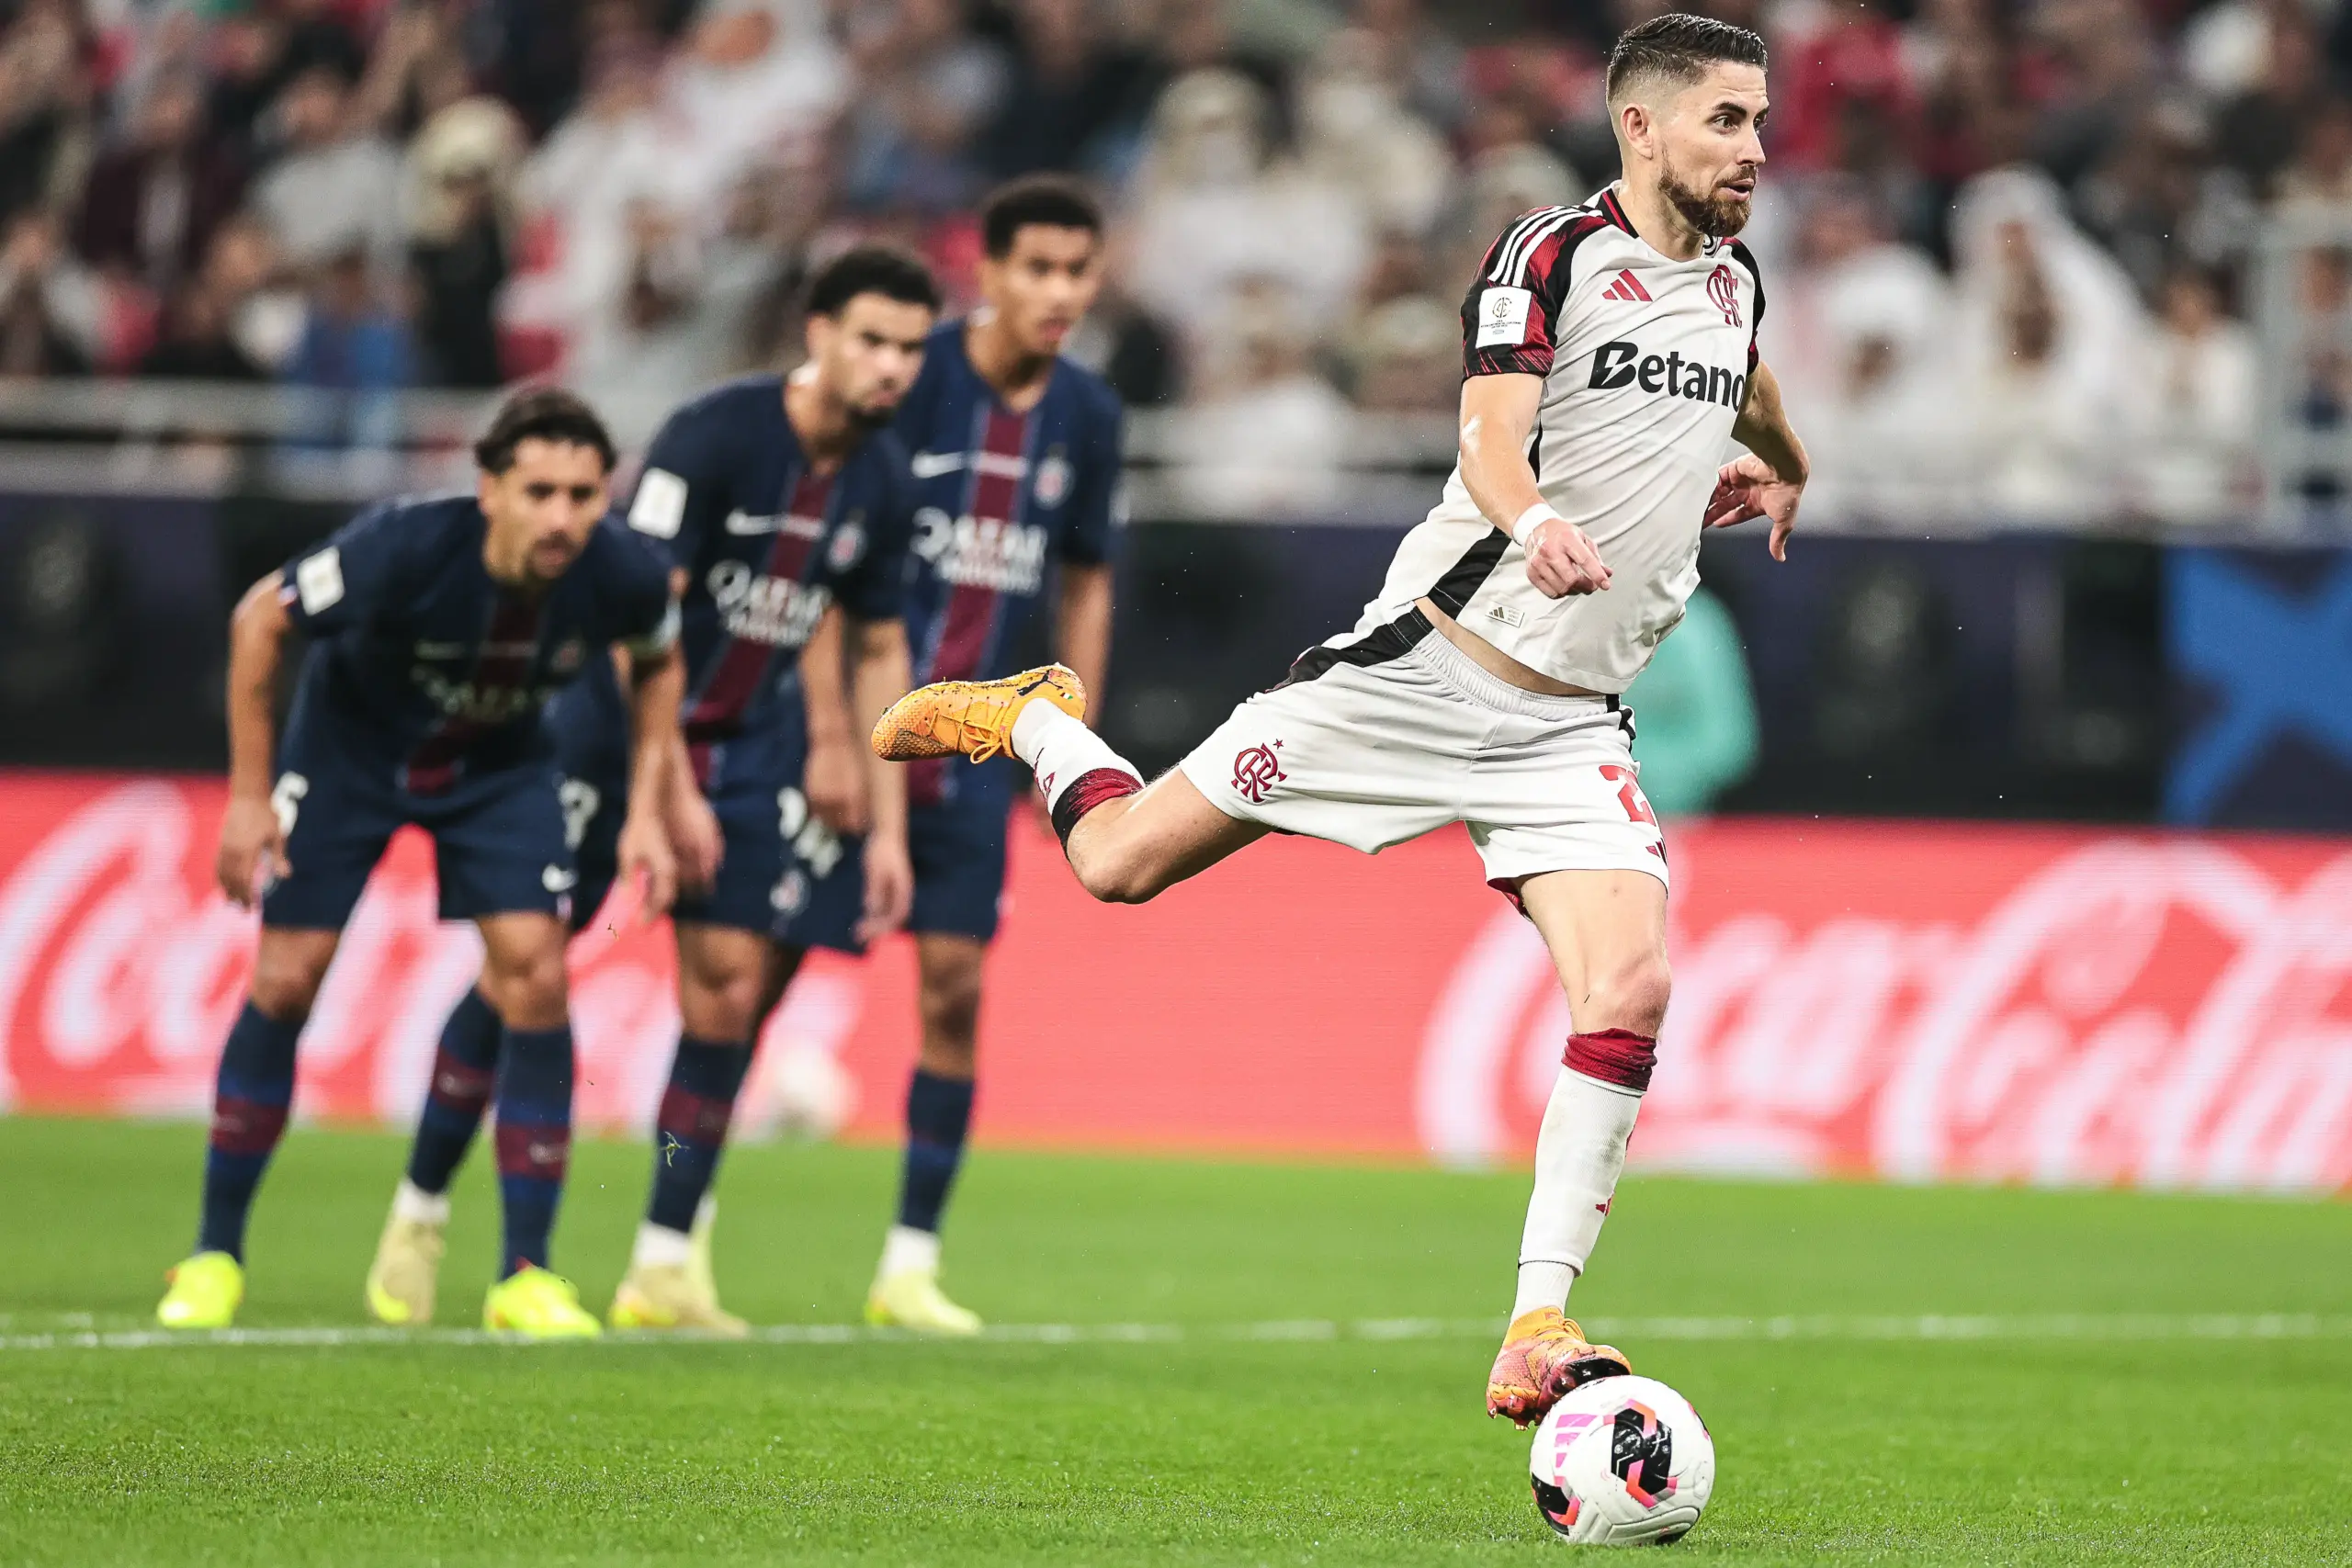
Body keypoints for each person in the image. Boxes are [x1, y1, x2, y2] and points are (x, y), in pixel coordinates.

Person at [869, 14, 1808, 1426]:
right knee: (1118, 862)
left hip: (1569, 727)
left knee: (1632, 990)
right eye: (1726, 120)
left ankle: (1536, 1319)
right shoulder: (1548, 253)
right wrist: (1536, 517)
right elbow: (1488, 434)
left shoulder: (1734, 281)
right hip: (1417, 673)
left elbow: (1744, 379)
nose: (1753, 146)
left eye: (1758, 119)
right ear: (1642, 127)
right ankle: (1036, 722)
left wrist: (1783, 468)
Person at [366, 245, 939, 1334]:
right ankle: (422, 1203)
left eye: (910, 347)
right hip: (602, 737)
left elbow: (875, 651)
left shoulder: (884, 484)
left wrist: (889, 824)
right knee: (522, 971)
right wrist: (660, 790)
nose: (892, 366)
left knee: (725, 993)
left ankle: (665, 1257)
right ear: (815, 334)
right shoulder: (714, 436)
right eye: (871, 339)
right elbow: (643, 627)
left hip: (749, 750)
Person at [154, 389, 685, 1339]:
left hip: (499, 764)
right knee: (287, 978)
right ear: (489, 489)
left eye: (582, 494)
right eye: (540, 491)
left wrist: (648, 805)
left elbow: (657, 659)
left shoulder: (621, 574)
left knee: (536, 975)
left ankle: (525, 1276)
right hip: (350, 754)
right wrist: (246, 796)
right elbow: (256, 621)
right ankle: (212, 1256)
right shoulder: (402, 546)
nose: (562, 515)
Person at [782, 175, 1122, 1335]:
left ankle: (908, 1267)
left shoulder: (1088, 414)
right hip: (846, 740)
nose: (1059, 290)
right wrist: (828, 728)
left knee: (955, 988)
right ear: (988, 269)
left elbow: (1085, 581)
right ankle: (670, 1249)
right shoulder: (906, 374)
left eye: (1078, 269)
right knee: (752, 975)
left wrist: (1069, 751)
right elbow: (832, 562)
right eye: (1037, 266)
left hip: (976, 756)